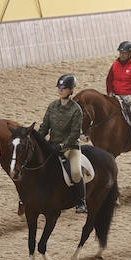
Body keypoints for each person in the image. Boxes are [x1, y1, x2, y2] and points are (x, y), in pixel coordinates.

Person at [39, 74, 86, 214]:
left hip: (70, 147)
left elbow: (75, 134)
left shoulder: (76, 110)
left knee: (76, 173)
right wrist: (37, 139)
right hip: (51, 145)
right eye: (59, 87)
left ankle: (81, 201)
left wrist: (61, 146)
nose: (60, 90)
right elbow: (44, 127)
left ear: (71, 90)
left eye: (64, 88)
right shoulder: (52, 106)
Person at [106, 41, 131, 144]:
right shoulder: (115, 64)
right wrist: (110, 92)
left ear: (130, 53)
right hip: (115, 95)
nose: (121, 55)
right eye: (120, 53)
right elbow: (109, 79)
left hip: (129, 96)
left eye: (124, 53)